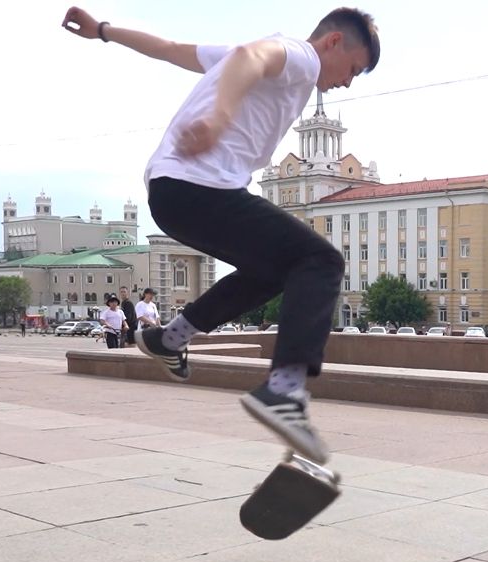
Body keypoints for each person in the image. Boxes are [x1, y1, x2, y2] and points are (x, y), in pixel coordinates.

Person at [62, 6, 379, 464]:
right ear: (333, 43)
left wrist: (104, 31)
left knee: (274, 270)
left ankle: (170, 338)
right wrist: (217, 117)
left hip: (171, 196)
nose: (348, 82)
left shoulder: (244, 58)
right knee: (322, 260)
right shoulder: (298, 56)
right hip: (201, 187)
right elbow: (253, 56)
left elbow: (170, 50)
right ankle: (283, 391)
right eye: (352, 69)